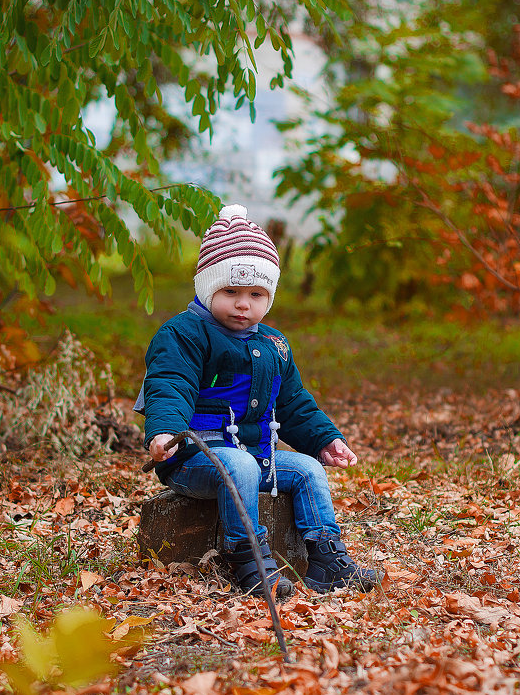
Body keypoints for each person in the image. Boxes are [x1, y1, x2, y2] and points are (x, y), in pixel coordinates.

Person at [134, 204, 380, 598]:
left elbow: (294, 401)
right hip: (195, 458)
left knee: (305, 469)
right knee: (237, 464)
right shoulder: (184, 333)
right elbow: (170, 382)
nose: (243, 304)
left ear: (270, 296)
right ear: (207, 287)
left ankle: (327, 559)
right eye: (230, 292)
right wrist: (164, 431)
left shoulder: (273, 343)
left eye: (256, 294)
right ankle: (247, 558)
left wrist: (324, 439)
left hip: (254, 455)